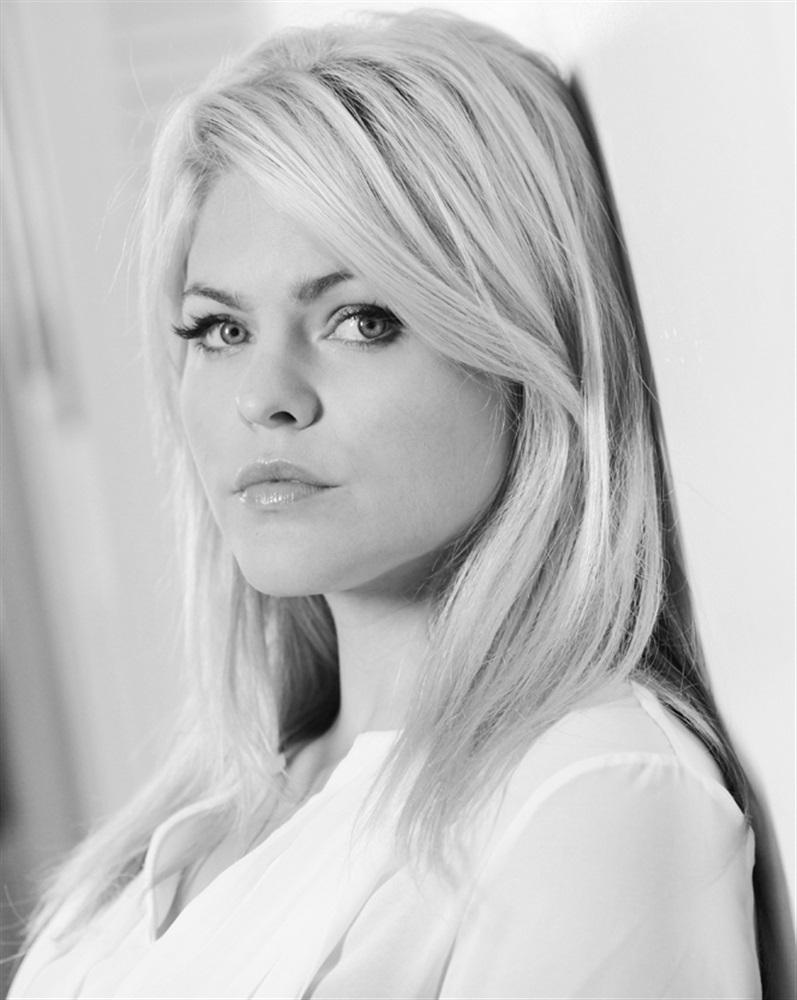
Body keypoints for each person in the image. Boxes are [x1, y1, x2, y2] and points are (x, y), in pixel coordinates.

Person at [9, 9, 761, 998]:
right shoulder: (201, 811)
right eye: (220, 329)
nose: (263, 396)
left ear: (523, 348)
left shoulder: (587, 799)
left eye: (361, 320)